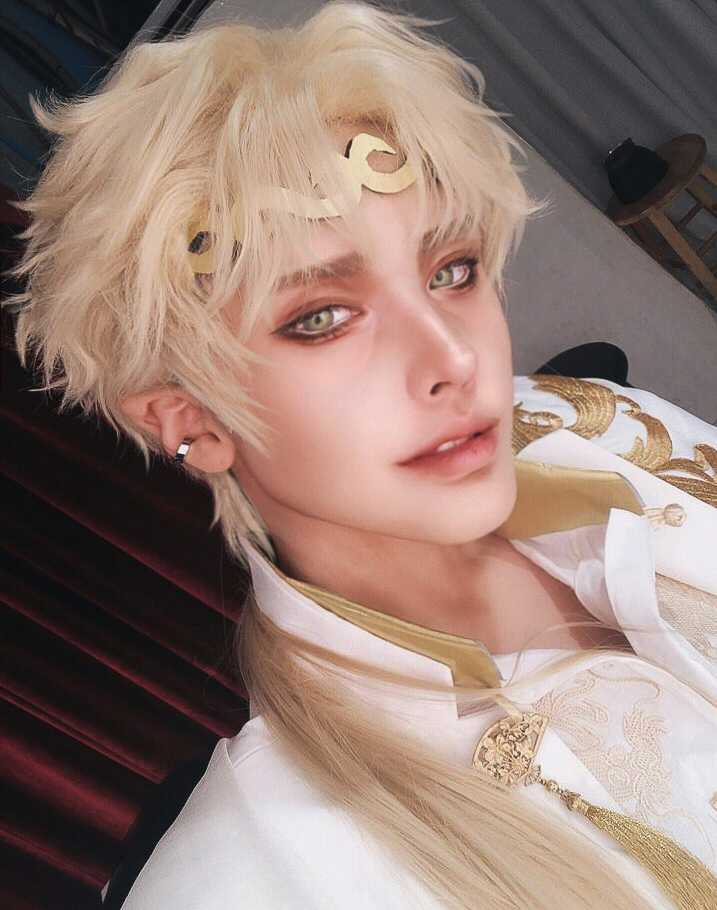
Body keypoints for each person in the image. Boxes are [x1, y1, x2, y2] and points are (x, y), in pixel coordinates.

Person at [10, 3, 717, 909]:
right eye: (320, 318)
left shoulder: (594, 423)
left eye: (450, 271)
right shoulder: (258, 876)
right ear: (191, 421)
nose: (453, 359)